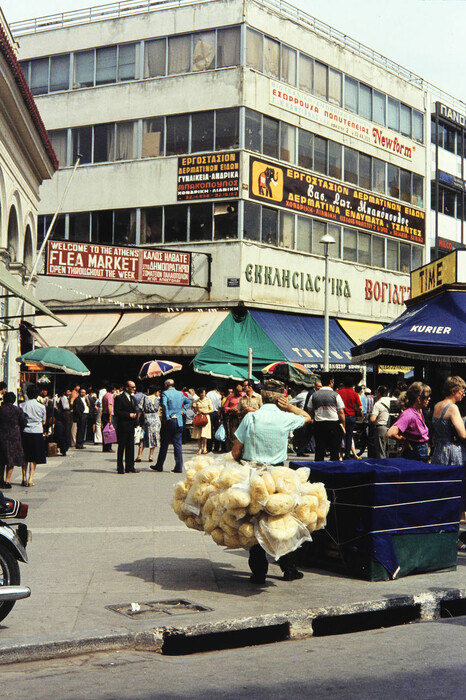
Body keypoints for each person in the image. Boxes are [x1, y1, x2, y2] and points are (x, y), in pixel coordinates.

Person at [232, 379, 311, 584]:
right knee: (281, 521)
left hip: (254, 476)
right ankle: (289, 569)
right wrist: (291, 406)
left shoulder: (251, 418)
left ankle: (258, 573)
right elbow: (308, 418)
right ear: (280, 397)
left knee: (255, 522)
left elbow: (236, 451)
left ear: (262, 395)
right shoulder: (285, 418)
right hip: (279, 478)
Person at [430, 377, 466, 527]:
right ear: (454, 391)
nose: (463, 394)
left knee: (441, 489)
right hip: (453, 451)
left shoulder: (437, 405)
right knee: (456, 488)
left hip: (439, 450)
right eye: (462, 391)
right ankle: (453, 528)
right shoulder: (452, 408)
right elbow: (463, 434)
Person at [150, 378, 193, 473]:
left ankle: (159, 465)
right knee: (177, 445)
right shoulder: (180, 393)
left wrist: (166, 416)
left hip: (170, 420)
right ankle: (178, 467)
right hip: (179, 420)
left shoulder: (165, 393)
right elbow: (190, 401)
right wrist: (183, 410)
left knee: (164, 444)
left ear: (166, 385)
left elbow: (164, 405)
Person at [386, 381, 431, 462]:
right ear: (419, 399)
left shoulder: (419, 411)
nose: (429, 399)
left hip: (421, 451)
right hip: (415, 453)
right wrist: (403, 439)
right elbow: (390, 433)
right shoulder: (408, 415)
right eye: (427, 397)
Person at [310, 373, 345, 462]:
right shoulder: (335, 395)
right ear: (331, 381)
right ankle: (334, 470)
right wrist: (343, 425)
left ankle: (318, 470)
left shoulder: (314, 395)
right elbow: (341, 412)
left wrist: (313, 418)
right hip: (333, 424)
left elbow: (310, 410)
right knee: (334, 450)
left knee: (319, 449)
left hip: (319, 424)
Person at [20, 385, 47, 487]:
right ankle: (31, 478)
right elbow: (44, 421)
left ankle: (24, 477)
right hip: (37, 431)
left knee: (25, 455)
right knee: (34, 456)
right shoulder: (41, 407)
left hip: (25, 431)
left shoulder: (22, 405)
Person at [0, 392, 27, 488]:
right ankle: (7, 481)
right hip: (14, 437)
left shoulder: (1, 409)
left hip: (2, 435)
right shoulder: (18, 410)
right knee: (11, 459)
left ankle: (1, 479)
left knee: (2, 459)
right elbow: (23, 422)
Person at [114, 379, 139, 474]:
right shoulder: (119, 398)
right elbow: (117, 411)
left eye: (134, 387)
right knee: (122, 447)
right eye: (132, 387)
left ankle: (130, 466)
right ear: (127, 387)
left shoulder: (133, 398)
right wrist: (128, 415)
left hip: (131, 425)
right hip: (123, 425)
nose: (134, 389)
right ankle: (120, 467)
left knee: (130, 446)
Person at [337, 376, 362, 460]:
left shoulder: (338, 392)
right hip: (351, 416)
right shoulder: (355, 394)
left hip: (341, 416)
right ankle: (347, 454)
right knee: (349, 436)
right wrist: (359, 413)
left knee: (340, 436)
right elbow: (360, 407)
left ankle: (339, 454)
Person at [135, 386, 161, 463]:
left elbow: (140, 409)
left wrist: (137, 419)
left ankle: (139, 456)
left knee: (143, 436)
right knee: (154, 436)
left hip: (147, 418)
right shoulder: (158, 399)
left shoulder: (144, 398)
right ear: (156, 391)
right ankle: (150, 456)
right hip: (155, 418)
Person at [369, 386, 392, 458]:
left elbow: (372, 419)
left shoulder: (378, 404)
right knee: (391, 451)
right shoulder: (394, 401)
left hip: (381, 428)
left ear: (379, 393)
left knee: (381, 452)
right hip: (393, 429)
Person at [191, 388, 214, 454]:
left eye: (204, 393)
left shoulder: (208, 400)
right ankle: (199, 448)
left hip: (206, 417)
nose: (202, 394)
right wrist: (194, 407)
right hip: (199, 417)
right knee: (198, 434)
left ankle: (205, 448)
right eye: (201, 393)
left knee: (204, 434)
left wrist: (206, 412)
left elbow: (212, 409)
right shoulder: (197, 400)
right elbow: (195, 411)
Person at [222, 383, 244, 451]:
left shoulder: (244, 396)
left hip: (242, 417)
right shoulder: (230, 397)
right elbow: (225, 407)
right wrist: (230, 409)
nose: (239, 392)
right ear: (235, 391)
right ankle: (232, 451)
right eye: (238, 391)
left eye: (240, 391)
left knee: (242, 435)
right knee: (232, 435)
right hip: (233, 417)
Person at [206, 386, 223, 452]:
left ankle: (209, 447)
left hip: (209, 412)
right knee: (216, 429)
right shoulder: (218, 396)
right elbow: (219, 406)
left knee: (209, 430)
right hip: (216, 413)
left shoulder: (207, 395)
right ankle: (216, 447)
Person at [101, 384, 115, 453]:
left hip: (104, 414)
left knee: (105, 431)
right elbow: (109, 405)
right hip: (107, 414)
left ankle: (105, 447)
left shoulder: (105, 395)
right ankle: (108, 447)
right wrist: (110, 416)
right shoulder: (109, 396)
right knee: (109, 431)